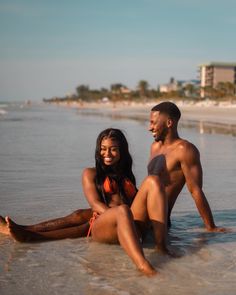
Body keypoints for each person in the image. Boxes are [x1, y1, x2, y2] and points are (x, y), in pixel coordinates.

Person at [0, 128, 169, 276]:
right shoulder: (90, 173)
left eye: (113, 149)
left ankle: (162, 248)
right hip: (105, 225)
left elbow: (138, 200)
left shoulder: (126, 176)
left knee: (152, 180)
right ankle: (144, 266)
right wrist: (122, 215)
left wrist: (157, 220)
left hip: (128, 223)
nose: (107, 154)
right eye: (103, 149)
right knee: (109, 212)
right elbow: (95, 204)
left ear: (122, 151)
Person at [148, 101, 226, 232]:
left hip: (158, 220)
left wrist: (211, 227)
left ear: (169, 123)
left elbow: (195, 190)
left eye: (153, 122)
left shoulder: (185, 150)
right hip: (143, 214)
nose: (149, 128)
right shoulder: (154, 147)